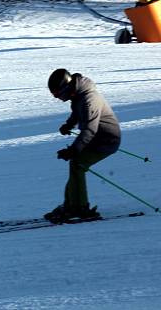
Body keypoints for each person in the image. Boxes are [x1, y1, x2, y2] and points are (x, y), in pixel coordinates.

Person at [44, 69, 122, 224]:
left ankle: (80, 208)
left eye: (58, 95)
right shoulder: (78, 94)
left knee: (78, 164)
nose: (58, 98)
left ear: (66, 89)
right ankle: (71, 205)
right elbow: (76, 112)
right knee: (76, 164)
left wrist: (73, 150)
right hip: (95, 138)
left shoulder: (89, 99)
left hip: (107, 140)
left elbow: (89, 130)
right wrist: (69, 125)